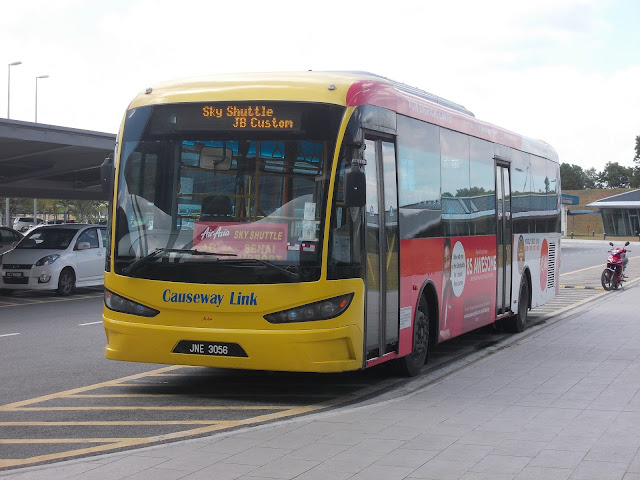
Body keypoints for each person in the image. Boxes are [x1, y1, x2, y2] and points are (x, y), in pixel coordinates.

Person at [440, 238, 455, 340]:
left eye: (448, 260)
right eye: (444, 260)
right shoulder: (443, 285)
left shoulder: (452, 288)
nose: (446, 266)